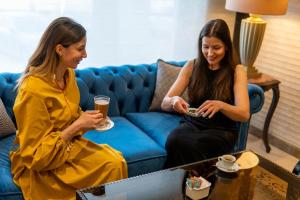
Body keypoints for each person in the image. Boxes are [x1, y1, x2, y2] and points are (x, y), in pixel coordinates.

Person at [10, 17, 127, 200]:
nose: (85, 54)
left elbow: (70, 114)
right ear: (59, 49)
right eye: (80, 49)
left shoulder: (68, 74)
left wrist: (88, 121)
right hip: (44, 162)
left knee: (117, 161)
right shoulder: (32, 90)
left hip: (67, 146)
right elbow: (35, 157)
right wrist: (77, 126)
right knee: (111, 164)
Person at [161, 19, 250, 168]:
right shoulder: (192, 65)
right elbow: (165, 102)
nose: (209, 53)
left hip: (221, 130)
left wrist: (221, 105)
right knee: (174, 140)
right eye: (205, 47)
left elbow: (244, 114)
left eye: (216, 48)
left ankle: (198, 186)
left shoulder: (237, 71)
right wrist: (174, 100)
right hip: (193, 123)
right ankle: (180, 184)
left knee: (194, 145)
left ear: (227, 47)